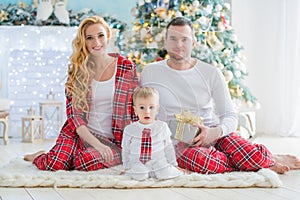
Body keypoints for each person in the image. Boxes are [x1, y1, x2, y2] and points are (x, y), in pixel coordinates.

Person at [140, 16, 300, 174]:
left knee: (239, 148)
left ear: (193, 42)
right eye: (173, 39)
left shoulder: (210, 73)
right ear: (166, 42)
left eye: (185, 40)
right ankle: (256, 160)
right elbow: (140, 110)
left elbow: (230, 115)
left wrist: (214, 132)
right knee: (206, 163)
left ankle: (257, 158)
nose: (178, 45)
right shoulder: (150, 72)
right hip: (179, 141)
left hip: (213, 133)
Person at [24, 15, 138, 171]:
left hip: (114, 140)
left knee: (84, 162)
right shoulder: (78, 71)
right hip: (79, 134)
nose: (96, 43)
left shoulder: (126, 67)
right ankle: (40, 156)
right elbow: (75, 117)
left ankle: (72, 156)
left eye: (100, 36)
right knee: (55, 164)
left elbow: (135, 108)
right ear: (83, 42)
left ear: (108, 36)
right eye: (89, 38)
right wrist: (97, 145)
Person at [122, 87, 182, 180]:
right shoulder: (130, 129)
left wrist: (174, 164)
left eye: (151, 107)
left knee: (164, 173)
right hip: (138, 163)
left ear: (157, 109)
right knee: (140, 175)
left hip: (158, 162)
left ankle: (166, 171)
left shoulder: (162, 127)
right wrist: (126, 167)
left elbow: (168, 147)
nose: (147, 111)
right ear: (135, 110)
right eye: (142, 107)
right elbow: (126, 150)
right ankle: (137, 172)